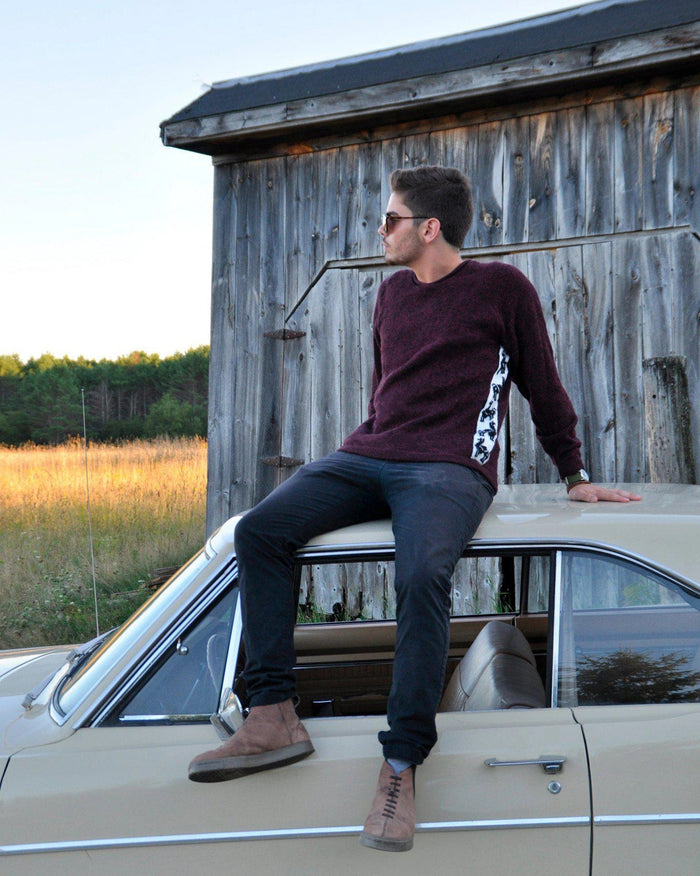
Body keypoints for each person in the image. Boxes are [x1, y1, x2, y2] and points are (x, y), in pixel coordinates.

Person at [188, 165, 640, 852]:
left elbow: (542, 384)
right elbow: (383, 393)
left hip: (451, 466)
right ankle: (273, 711)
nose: (381, 229)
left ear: (429, 228)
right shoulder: (390, 295)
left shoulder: (501, 289)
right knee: (260, 531)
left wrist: (573, 471)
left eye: (392, 219)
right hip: (373, 452)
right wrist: (364, 449)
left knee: (422, 572)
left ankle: (399, 767)